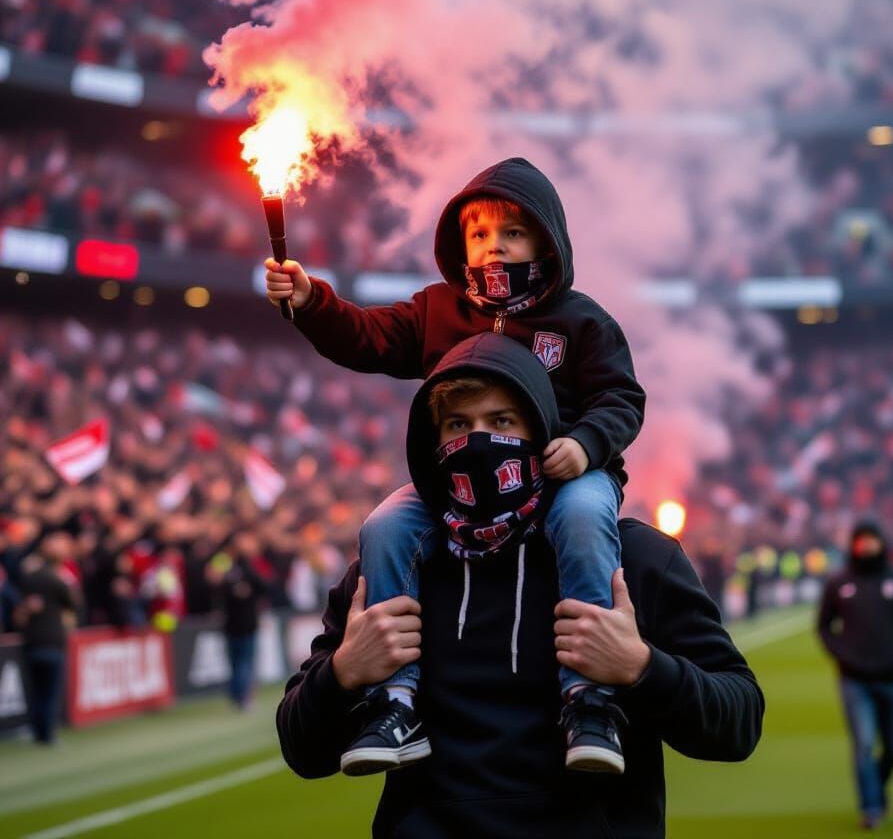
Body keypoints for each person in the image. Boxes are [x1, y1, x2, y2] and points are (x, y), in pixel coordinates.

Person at [277, 333, 764, 838]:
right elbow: (302, 751)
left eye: (502, 421)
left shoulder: (635, 559)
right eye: (458, 425)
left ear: (543, 431)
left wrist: (641, 668)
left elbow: (739, 723)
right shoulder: (391, 566)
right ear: (433, 442)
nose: (479, 441)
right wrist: (343, 673)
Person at [266, 157, 645, 774]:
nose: (494, 245)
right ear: (459, 245)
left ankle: (589, 698)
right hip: (460, 488)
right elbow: (367, 337)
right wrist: (312, 301)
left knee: (581, 519)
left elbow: (622, 398)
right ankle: (393, 700)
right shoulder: (437, 310)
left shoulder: (581, 320)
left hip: (562, 477)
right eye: (480, 234)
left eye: (513, 233)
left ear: (547, 242)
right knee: (385, 526)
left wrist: (585, 445)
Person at [817, 521, 893, 830]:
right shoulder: (838, 583)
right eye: (860, 541)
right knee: (864, 744)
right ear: (853, 544)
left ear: (882, 543)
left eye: (871, 540)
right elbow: (823, 627)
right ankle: (870, 808)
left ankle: (877, 790)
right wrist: (840, 654)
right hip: (854, 679)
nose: (866, 546)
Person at [13, 533, 78, 745]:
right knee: (49, 692)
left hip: (31, 641)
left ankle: (35, 731)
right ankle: (47, 734)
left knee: (35, 690)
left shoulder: (28, 577)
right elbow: (73, 603)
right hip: (52, 640)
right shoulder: (56, 580)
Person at [209, 533, 268, 710]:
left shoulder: (235, 566)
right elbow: (263, 587)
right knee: (243, 661)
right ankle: (241, 696)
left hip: (237, 621)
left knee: (238, 661)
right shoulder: (237, 566)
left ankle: (238, 696)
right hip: (240, 621)